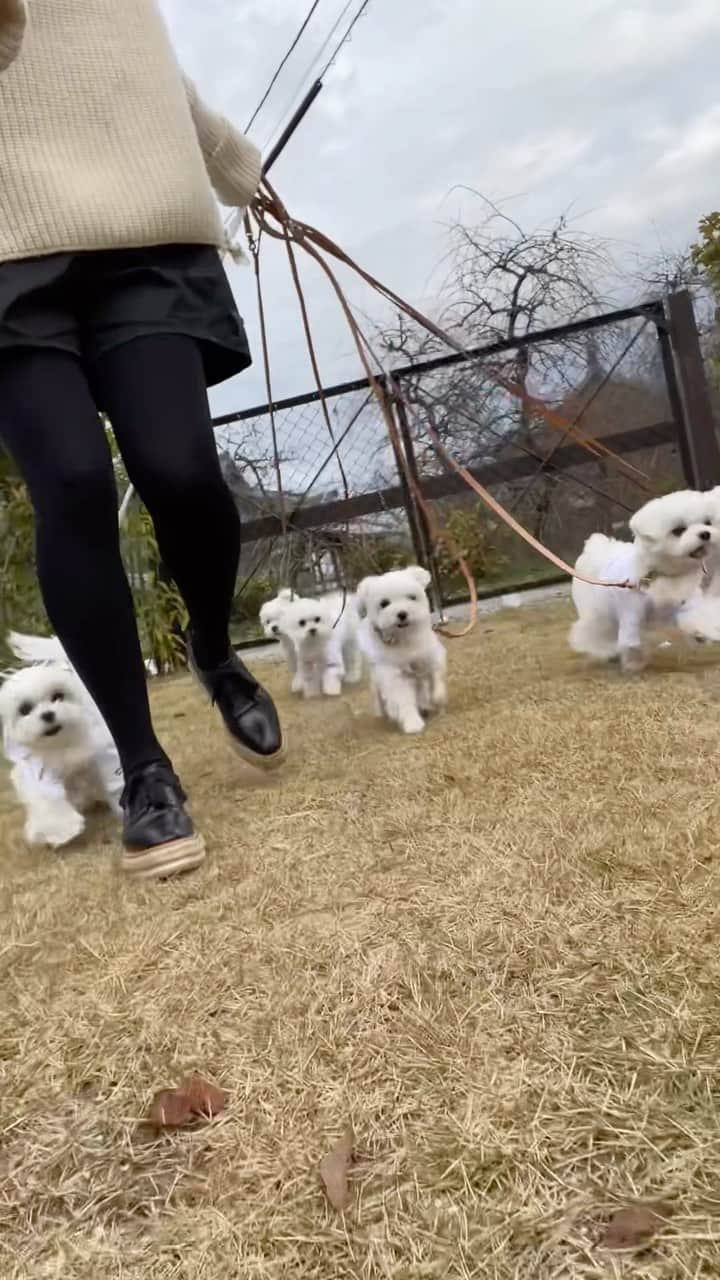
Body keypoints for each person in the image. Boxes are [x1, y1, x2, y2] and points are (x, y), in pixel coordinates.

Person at [0, 0, 285, 878]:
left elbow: (140, 59)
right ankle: (146, 771)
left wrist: (237, 165)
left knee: (183, 469)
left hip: (146, 232)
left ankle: (210, 643)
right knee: (74, 486)